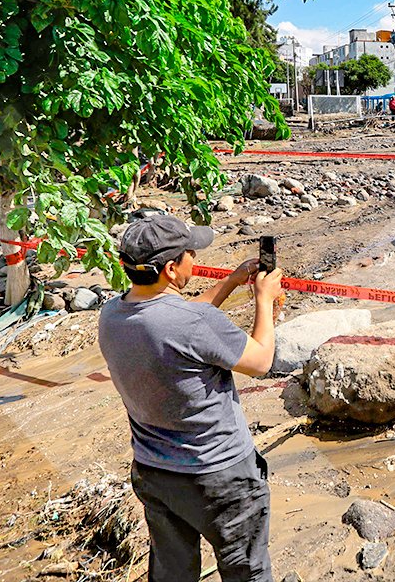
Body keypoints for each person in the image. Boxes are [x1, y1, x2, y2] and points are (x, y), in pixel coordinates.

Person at [99, 213, 283, 582]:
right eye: (190, 254)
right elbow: (261, 361)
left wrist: (231, 281)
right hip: (218, 474)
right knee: (247, 569)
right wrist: (265, 301)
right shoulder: (192, 322)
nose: (195, 261)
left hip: (154, 472)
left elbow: (179, 314)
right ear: (171, 268)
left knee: (173, 572)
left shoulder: (112, 315)